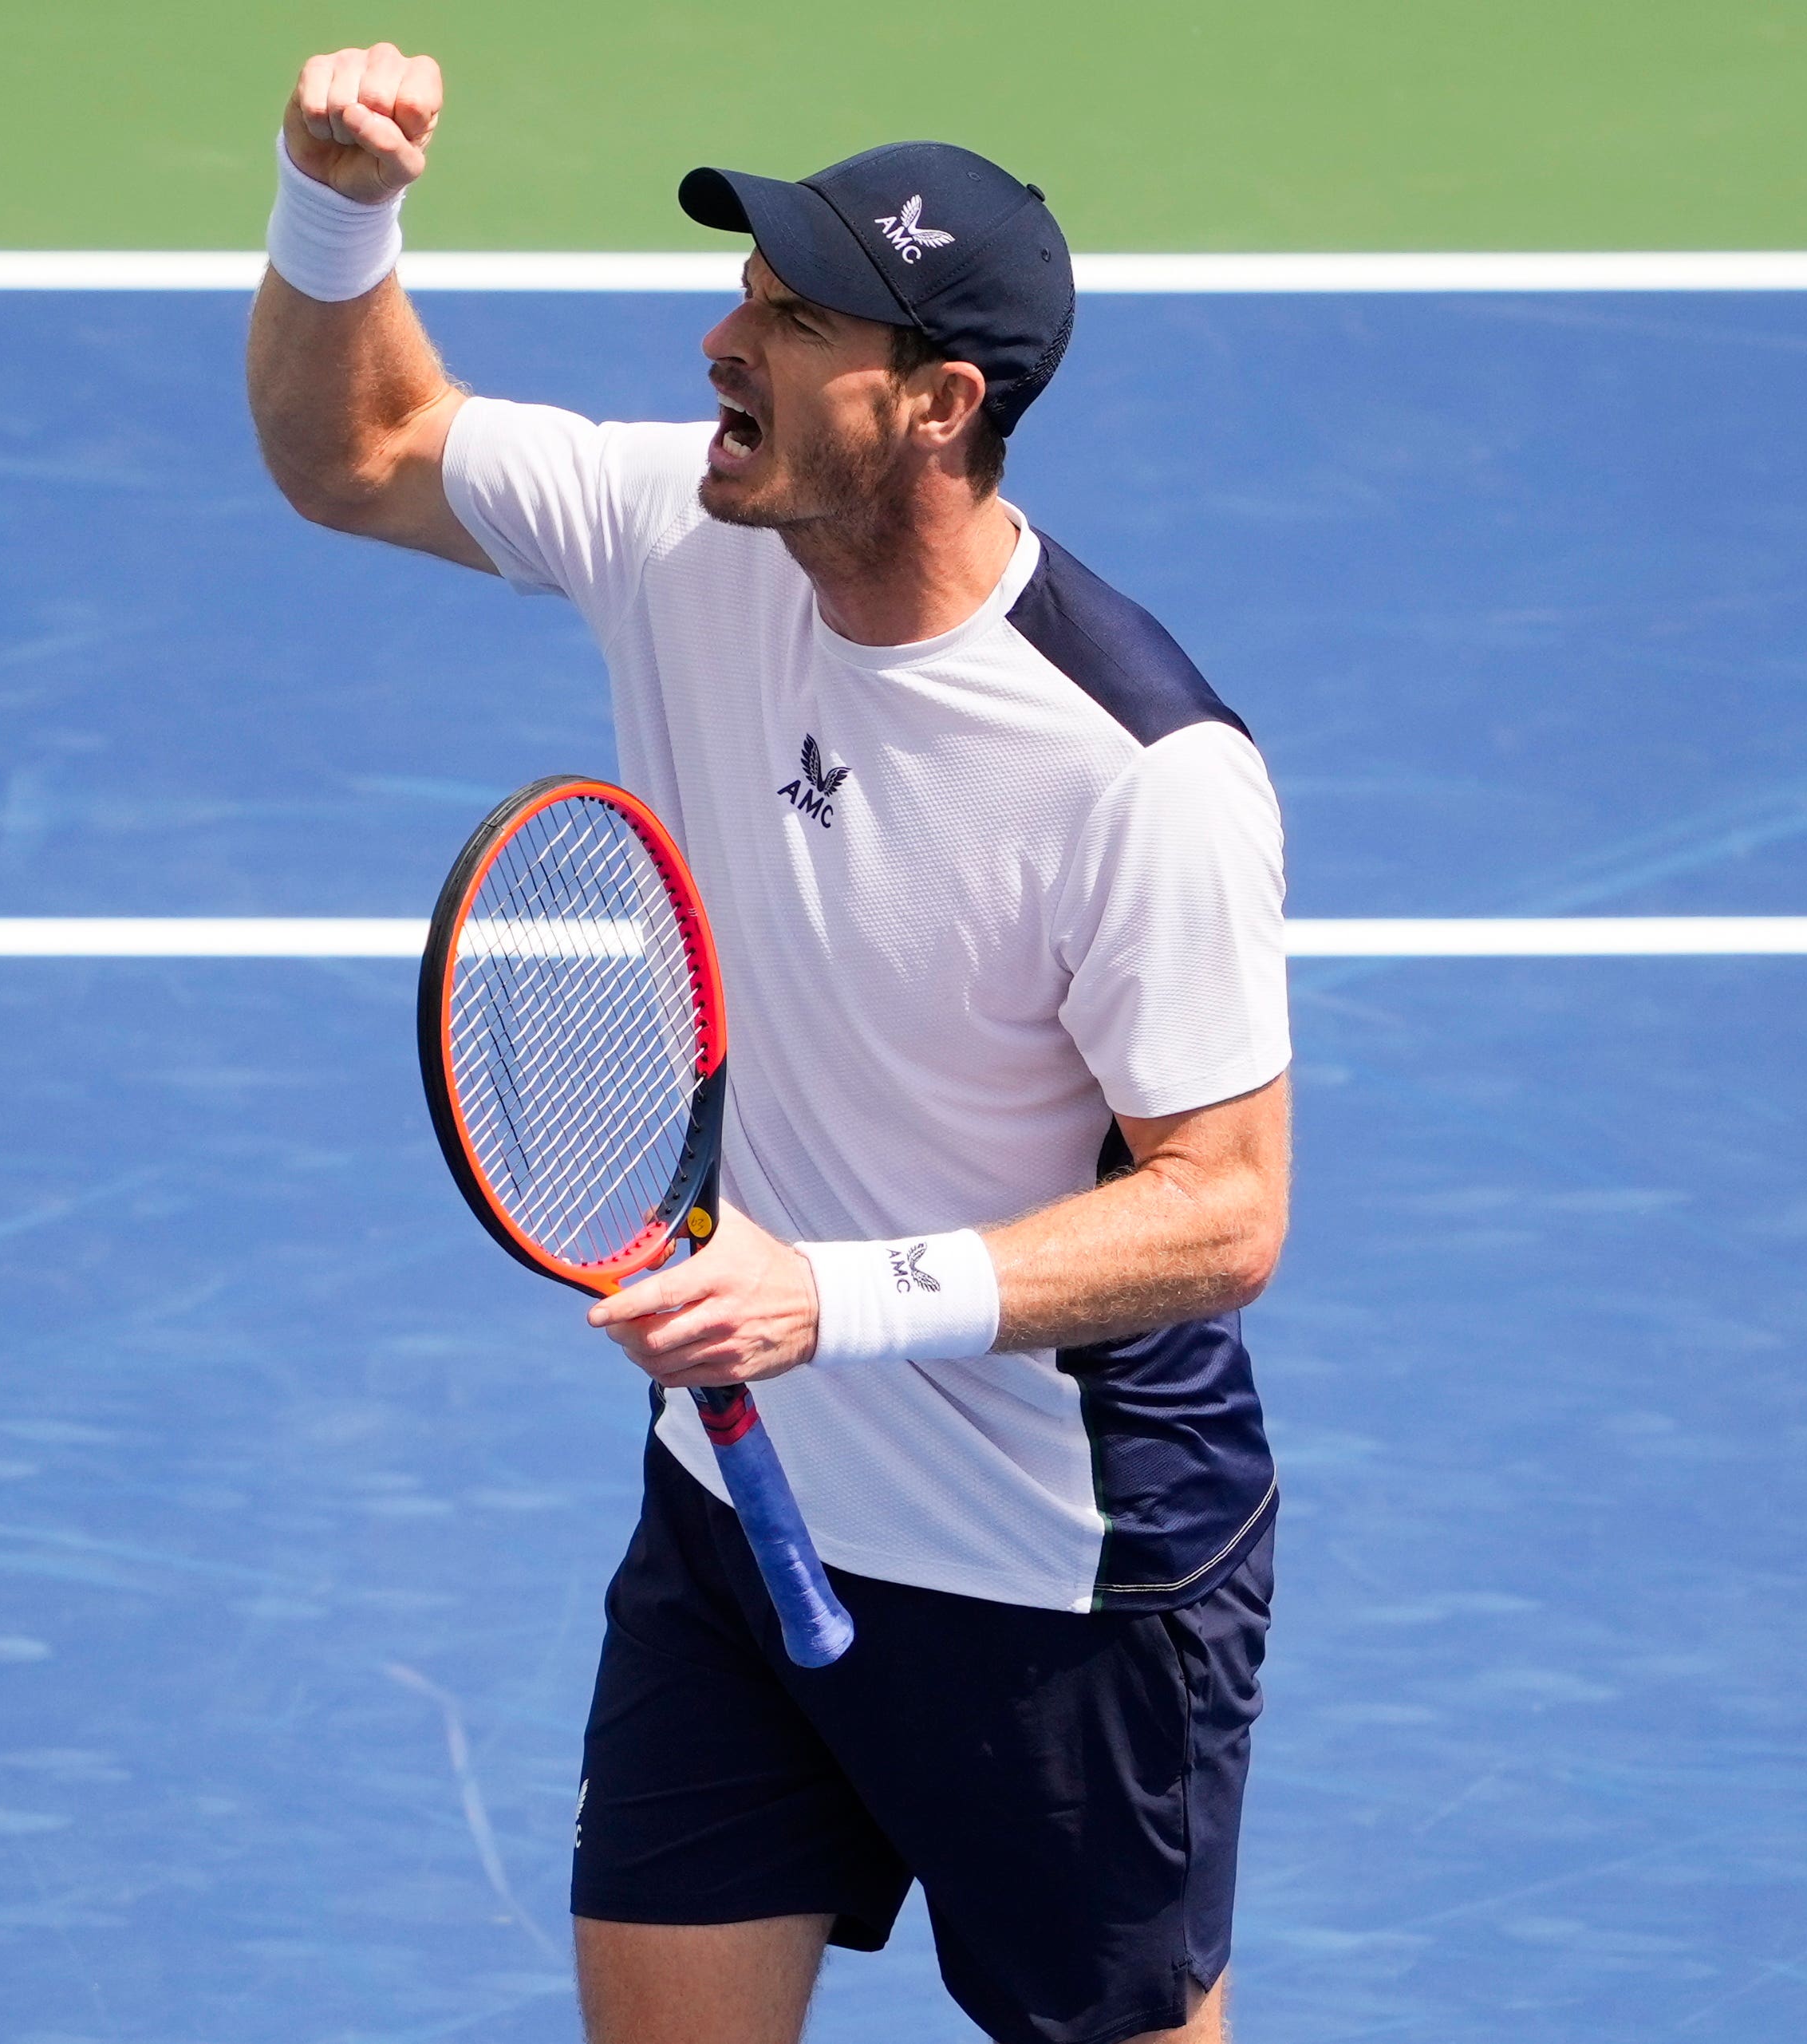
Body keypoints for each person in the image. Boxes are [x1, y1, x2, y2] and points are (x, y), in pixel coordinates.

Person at [248, 43, 1292, 2044]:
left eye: (792, 318)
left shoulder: (1137, 774)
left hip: (1053, 1572)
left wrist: (833, 1295)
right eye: (746, 289)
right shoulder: (678, 530)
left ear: (934, 405)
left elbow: (1222, 1216)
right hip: (741, 1507)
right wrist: (336, 204)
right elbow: (357, 448)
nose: (720, 336)